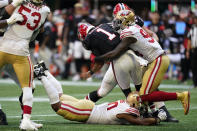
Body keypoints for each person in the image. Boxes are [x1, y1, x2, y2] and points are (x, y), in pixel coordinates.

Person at [34, 61, 190, 125]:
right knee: (58, 106)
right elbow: (140, 122)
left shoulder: (126, 106)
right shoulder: (128, 111)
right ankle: (41, 75)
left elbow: (140, 117)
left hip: (89, 107)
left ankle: (45, 72)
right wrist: (156, 120)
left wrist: (150, 116)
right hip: (87, 112)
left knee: (60, 96)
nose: (130, 96)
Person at [93, 9, 179, 120]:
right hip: (147, 60)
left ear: (127, 21)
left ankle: (171, 103)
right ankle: (148, 112)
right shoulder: (134, 27)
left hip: (153, 60)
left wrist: (98, 58)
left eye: (119, 21)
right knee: (143, 90)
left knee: (144, 93)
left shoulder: (129, 31)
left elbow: (115, 52)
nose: (116, 23)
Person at [0, 0, 50, 130]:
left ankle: (25, 118)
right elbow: (37, 33)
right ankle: (25, 119)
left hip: (3, 46)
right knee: (28, 86)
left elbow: (4, 14)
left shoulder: (17, 2)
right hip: (20, 50)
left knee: (30, 85)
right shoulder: (45, 10)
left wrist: (8, 18)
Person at [186, 15, 197, 88]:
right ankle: (195, 83)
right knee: (193, 67)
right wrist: (187, 51)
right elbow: (189, 40)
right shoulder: (192, 29)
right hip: (193, 50)